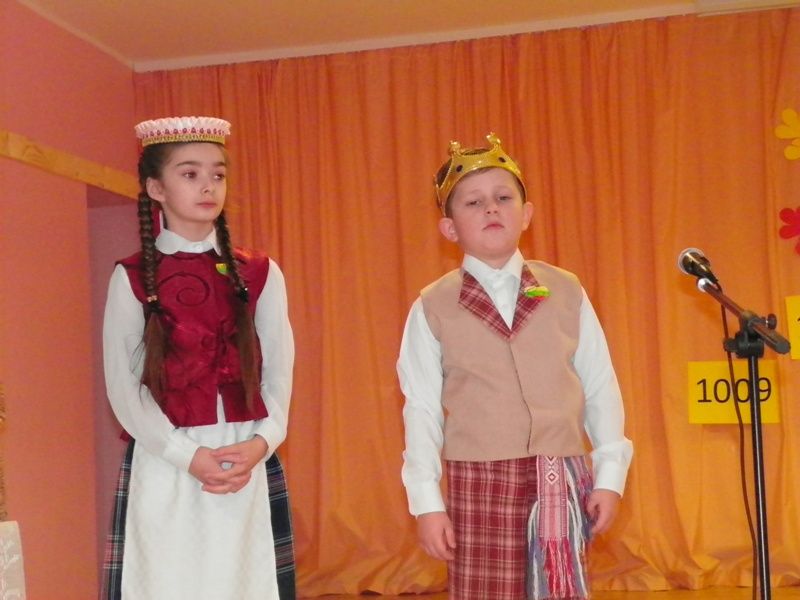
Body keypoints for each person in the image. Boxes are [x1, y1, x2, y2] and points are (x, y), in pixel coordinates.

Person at [397, 133, 633, 599]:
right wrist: (426, 501)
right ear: (449, 228)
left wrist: (610, 475)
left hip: (559, 475)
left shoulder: (566, 290)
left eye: (503, 198)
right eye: (473, 202)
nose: (491, 208)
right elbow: (421, 408)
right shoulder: (433, 306)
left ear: (526, 214)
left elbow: (600, 385)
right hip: (478, 483)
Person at [101, 116, 295, 600]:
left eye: (218, 174)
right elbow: (124, 386)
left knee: (245, 583)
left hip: (244, 453)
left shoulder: (260, 272)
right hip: (166, 458)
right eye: (190, 173)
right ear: (156, 188)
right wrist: (186, 456)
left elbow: (279, 371)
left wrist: (263, 441)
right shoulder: (131, 277)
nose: (208, 186)